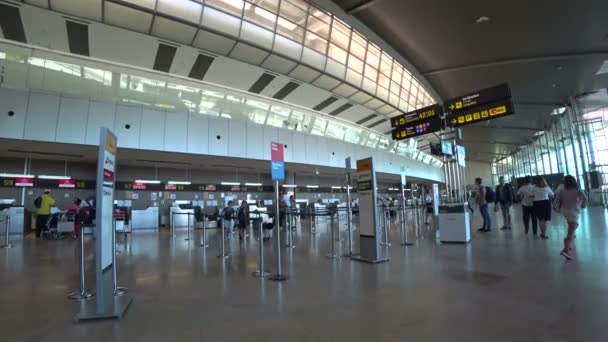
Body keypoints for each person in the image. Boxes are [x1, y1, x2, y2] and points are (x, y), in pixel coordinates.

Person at [553, 175, 587, 260]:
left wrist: (555, 208)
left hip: (565, 211)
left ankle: (567, 241)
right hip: (574, 212)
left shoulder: (562, 190)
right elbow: (585, 198)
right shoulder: (577, 190)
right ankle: (566, 249)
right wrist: (583, 204)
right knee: (572, 231)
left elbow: (556, 200)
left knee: (572, 228)